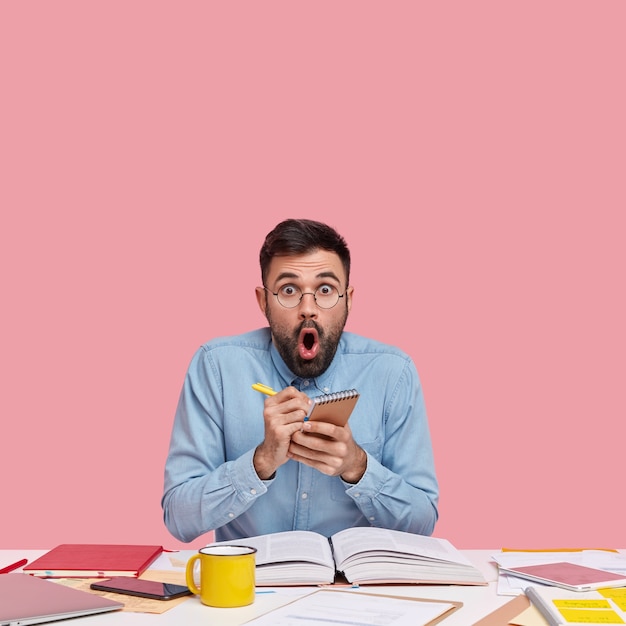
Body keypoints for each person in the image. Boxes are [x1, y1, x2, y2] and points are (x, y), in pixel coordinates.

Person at [162, 218, 439, 543]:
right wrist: (260, 461)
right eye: (289, 290)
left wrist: (357, 467)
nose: (308, 309)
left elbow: (423, 523)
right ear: (263, 301)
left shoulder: (392, 372)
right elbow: (178, 519)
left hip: (354, 588)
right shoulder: (216, 366)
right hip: (249, 587)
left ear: (347, 299)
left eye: (325, 290)